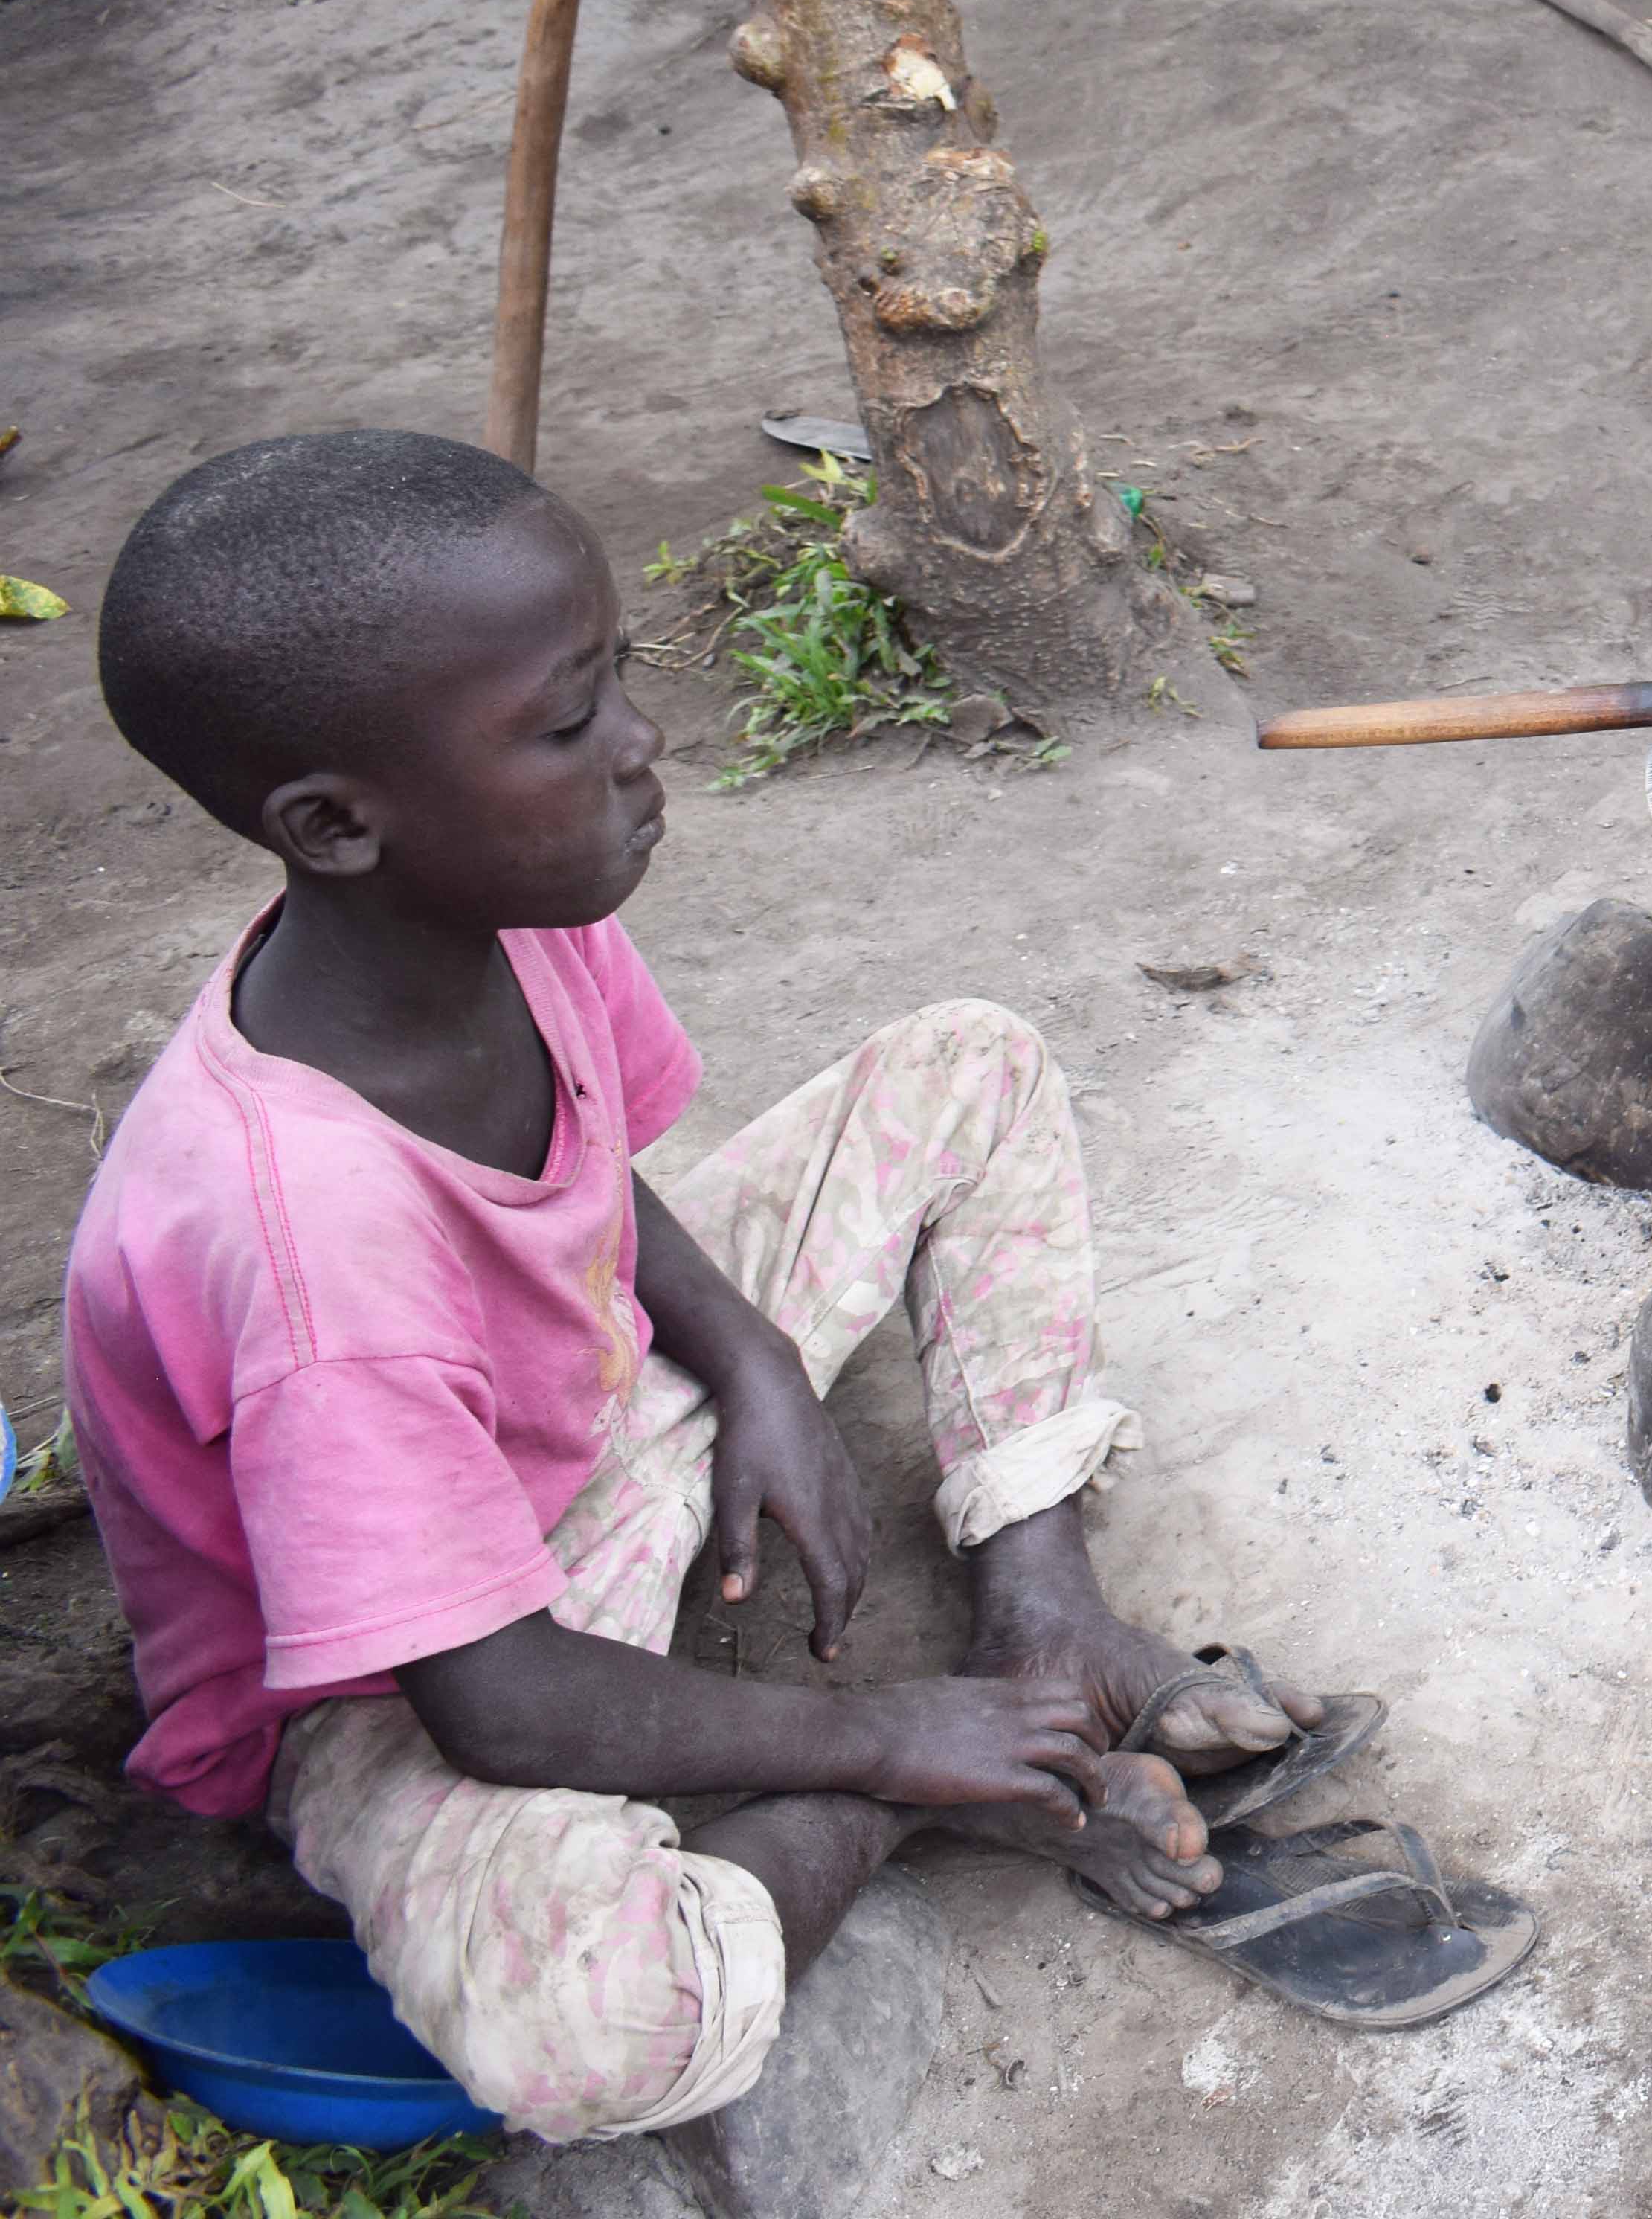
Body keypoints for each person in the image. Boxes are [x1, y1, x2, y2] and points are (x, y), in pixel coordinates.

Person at [61, 432, 1403, 2141]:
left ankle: (1046, 1610)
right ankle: (948, 1800)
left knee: (969, 1067)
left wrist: (754, 1353)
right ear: (335, 825)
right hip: (383, 1674)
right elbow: (499, 1698)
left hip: (565, 1426)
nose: (639, 740)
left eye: (614, 676)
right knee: (597, 2034)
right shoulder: (309, 1247)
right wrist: (885, 1745)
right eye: (567, 722)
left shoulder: (499, 905)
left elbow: (595, 1170)